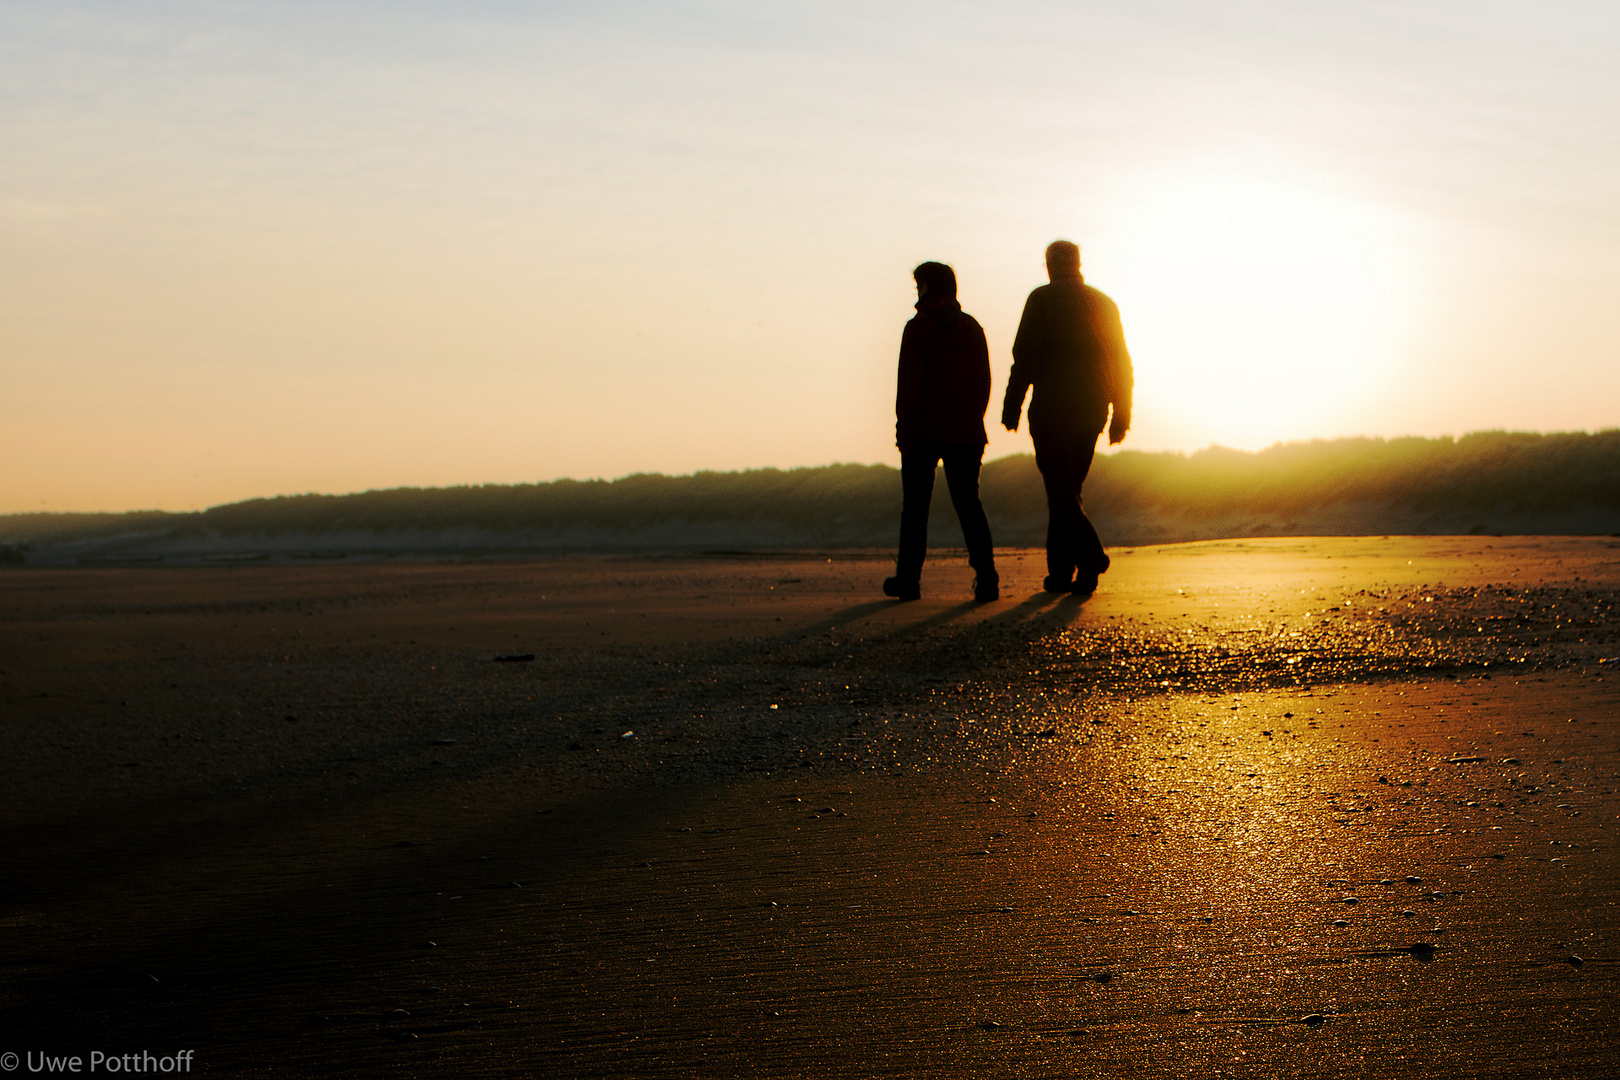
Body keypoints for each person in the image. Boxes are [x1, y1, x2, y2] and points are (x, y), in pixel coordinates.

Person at [1000, 240, 1133, 596]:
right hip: (1092, 414)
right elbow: (1120, 364)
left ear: (1049, 264)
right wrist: (1122, 415)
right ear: (1078, 263)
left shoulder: (1041, 299)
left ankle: (1090, 556)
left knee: (1060, 494)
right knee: (1067, 492)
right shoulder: (1104, 303)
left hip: (1052, 412)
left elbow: (1024, 357)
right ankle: (1064, 575)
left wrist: (1011, 406)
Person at [884, 261, 999, 603]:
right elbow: (984, 382)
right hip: (966, 430)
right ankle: (987, 579)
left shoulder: (918, 329)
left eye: (918, 286)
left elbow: (909, 386)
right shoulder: (972, 327)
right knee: (969, 505)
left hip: (922, 433)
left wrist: (904, 430)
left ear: (927, 289)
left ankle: (909, 581)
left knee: (916, 510)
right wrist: (973, 417)